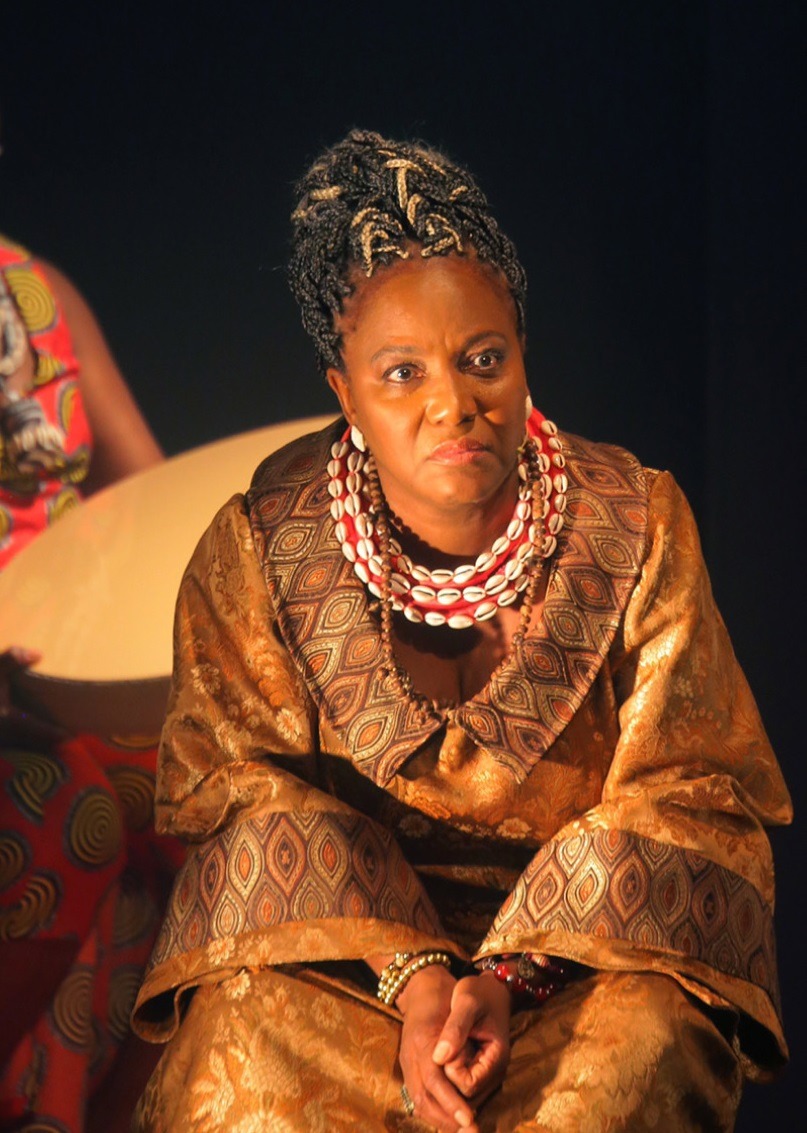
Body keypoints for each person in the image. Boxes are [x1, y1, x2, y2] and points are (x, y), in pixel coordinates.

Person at [131, 130, 791, 1133]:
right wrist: (415, 974)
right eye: (401, 373)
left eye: (484, 359)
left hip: (582, 972)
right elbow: (233, 789)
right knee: (240, 1048)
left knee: (640, 1052)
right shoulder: (261, 545)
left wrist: (511, 974)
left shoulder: (637, 526)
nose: (454, 404)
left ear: (523, 352)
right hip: (346, 972)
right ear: (344, 393)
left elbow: (694, 787)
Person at [1, 233, 180, 1133]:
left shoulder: (37, 291)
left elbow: (152, 496)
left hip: (68, 663)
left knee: (220, 797)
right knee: (76, 816)